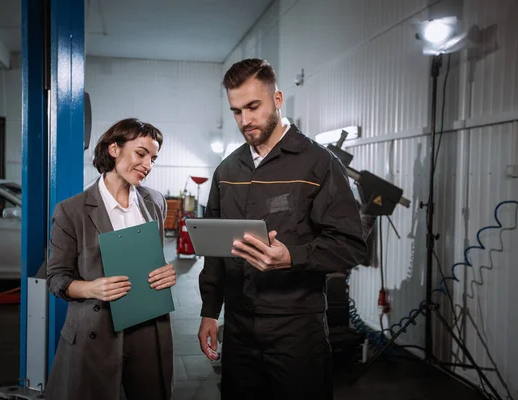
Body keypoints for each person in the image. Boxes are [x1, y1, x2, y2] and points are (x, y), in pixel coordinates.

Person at [197, 59, 367, 399]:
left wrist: (293, 256)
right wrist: (208, 312)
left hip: (297, 329)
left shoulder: (318, 163)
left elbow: (351, 244)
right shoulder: (227, 170)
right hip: (239, 329)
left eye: (253, 107)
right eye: (236, 111)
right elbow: (215, 252)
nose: (244, 121)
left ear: (277, 99)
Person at [46, 118, 176, 400]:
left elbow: (155, 261)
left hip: (147, 327)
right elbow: (56, 278)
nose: (148, 165)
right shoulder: (72, 211)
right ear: (114, 148)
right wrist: (91, 288)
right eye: (141, 154)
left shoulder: (155, 202)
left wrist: (167, 271)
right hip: (96, 328)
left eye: (153, 158)